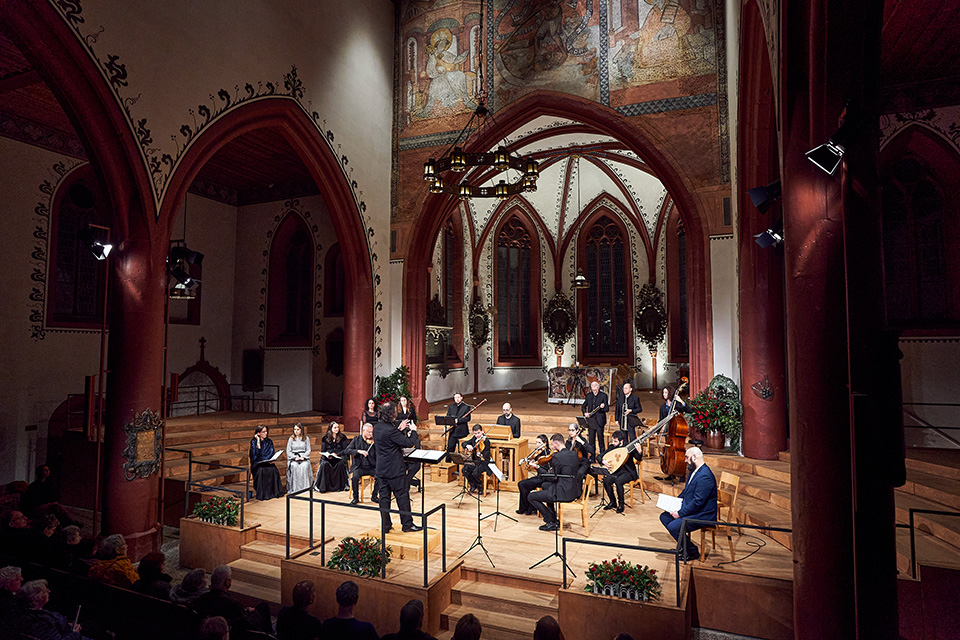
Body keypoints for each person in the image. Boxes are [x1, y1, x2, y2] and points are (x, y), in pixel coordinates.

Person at [659, 447, 717, 561]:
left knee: (673, 526)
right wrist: (674, 504)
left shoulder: (705, 476)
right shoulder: (693, 471)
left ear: (695, 457)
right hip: (693, 509)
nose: (685, 460)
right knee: (665, 517)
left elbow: (698, 502)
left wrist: (680, 513)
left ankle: (692, 551)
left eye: (687, 457)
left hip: (703, 514)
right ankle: (683, 546)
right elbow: (686, 492)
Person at [374, 402, 422, 533]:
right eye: (395, 411)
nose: (397, 413)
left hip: (381, 469)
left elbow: (389, 438)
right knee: (402, 497)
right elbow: (408, 443)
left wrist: (399, 429)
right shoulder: (391, 431)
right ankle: (407, 525)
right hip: (395, 470)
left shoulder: (377, 427)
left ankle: (386, 525)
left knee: (384, 498)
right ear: (391, 414)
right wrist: (413, 431)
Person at [528, 434, 580, 531]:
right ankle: (552, 516)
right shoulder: (574, 454)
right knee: (544, 485)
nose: (551, 447)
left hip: (563, 492)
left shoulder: (557, 456)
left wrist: (538, 467)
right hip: (573, 490)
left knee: (531, 496)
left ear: (556, 444)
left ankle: (550, 520)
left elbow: (552, 478)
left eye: (552, 445)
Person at [13, 579, 91, 640]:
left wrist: (69, 625)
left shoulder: (35, 613)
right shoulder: (40, 621)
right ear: (36, 600)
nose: (49, 591)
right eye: (45, 591)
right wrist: (75, 633)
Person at [600, 430, 640, 514]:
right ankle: (613, 502)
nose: (613, 443)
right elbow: (600, 456)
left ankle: (621, 504)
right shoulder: (612, 447)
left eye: (615, 441)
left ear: (621, 441)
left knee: (619, 481)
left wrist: (639, 451)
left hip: (628, 472)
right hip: (616, 471)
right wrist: (603, 461)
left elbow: (638, 458)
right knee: (606, 481)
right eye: (612, 440)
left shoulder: (629, 447)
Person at [516, 434, 550, 516]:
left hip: (544, 478)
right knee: (522, 485)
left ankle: (528, 507)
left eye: (539, 442)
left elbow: (546, 468)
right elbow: (531, 458)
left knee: (522, 484)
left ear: (545, 443)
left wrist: (536, 465)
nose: (537, 445)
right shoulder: (539, 452)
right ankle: (528, 507)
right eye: (536, 442)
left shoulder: (547, 454)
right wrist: (524, 460)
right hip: (539, 476)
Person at [347, 423, 378, 505]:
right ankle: (356, 498)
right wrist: (358, 451)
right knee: (355, 477)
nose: (370, 434)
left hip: (371, 466)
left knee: (380, 477)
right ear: (363, 430)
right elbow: (347, 450)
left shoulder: (373, 442)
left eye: (372, 432)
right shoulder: (356, 440)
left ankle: (374, 496)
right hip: (359, 467)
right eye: (369, 432)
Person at [250, 425, 283, 500]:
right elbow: (254, 456)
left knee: (273, 469)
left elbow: (271, 453)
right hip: (257, 464)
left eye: (266, 431)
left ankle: (273, 492)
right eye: (263, 432)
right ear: (258, 433)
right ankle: (263, 494)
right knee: (262, 470)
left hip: (267, 462)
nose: (266, 433)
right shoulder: (253, 442)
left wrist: (270, 460)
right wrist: (258, 443)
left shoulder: (269, 441)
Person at [315, 422, 349, 492]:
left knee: (340, 464)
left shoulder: (343, 437)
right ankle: (324, 487)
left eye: (338, 427)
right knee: (324, 464)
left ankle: (341, 486)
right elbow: (323, 450)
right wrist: (329, 455)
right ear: (331, 428)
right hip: (329, 458)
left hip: (339, 457)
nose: (337, 429)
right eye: (335, 427)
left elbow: (345, 450)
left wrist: (337, 454)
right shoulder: (325, 438)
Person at [461, 424, 492, 494]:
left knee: (475, 472)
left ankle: (479, 486)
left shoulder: (486, 441)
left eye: (478, 433)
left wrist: (481, 454)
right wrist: (467, 445)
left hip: (484, 462)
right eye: (475, 433)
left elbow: (487, 454)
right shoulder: (474, 439)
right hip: (475, 461)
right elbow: (463, 443)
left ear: (482, 431)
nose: (477, 435)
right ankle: (473, 484)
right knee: (464, 470)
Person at [581, 380, 609, 455]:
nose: (594, 390)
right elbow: (583, 406)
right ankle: (592, 457)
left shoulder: (603, 396)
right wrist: (585, 413)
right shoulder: (588, 396)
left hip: (600, 421)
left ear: (598, 387)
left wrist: (603, 407)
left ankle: (602, 456)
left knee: (600, 440)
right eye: (593, 388)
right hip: (591, 421)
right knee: (591, 440)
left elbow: (607, 409)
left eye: (596, 388)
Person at [285, 422, 314, 493]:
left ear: (301, 430)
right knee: (294, 466)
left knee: (305, 465)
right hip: (294, 458)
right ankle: (295, 488)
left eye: (297, 429)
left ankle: (305, 488)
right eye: (295, 429)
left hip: (303, 457)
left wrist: (303, 457)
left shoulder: (306, 438)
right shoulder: (291, 439)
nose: (296, 431)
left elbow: (308, 450)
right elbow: (288, 451)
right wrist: (294, 457)